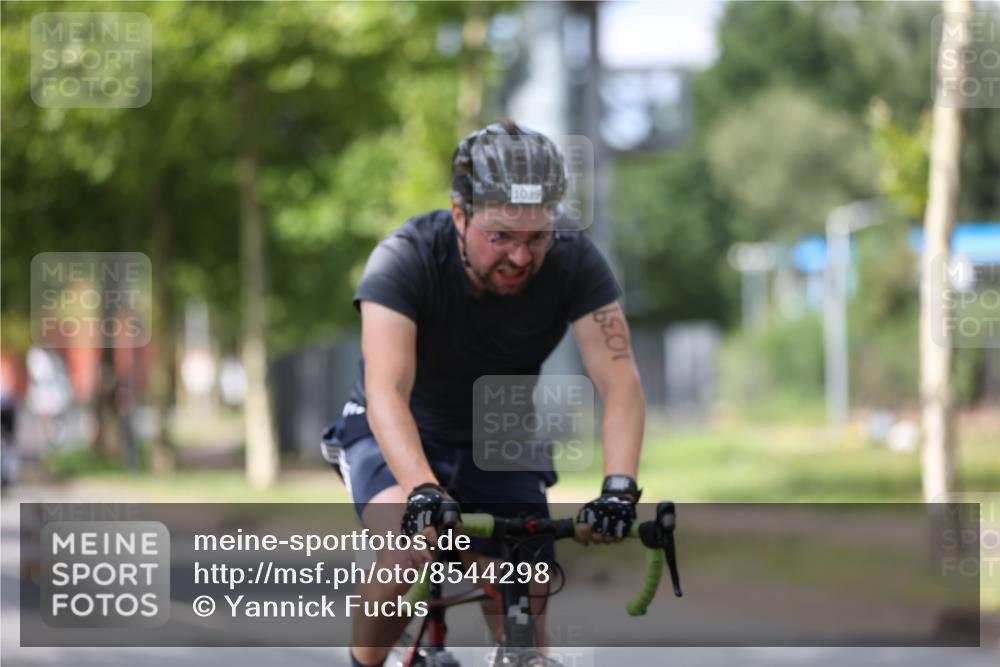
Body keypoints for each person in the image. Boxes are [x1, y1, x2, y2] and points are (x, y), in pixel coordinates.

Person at [322, 120, 646, 667]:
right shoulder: (404, 257)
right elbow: (387, 391)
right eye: (501, 236)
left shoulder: (573, 258)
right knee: (408, 549)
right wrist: (424, 489)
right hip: (398, 428)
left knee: (526, 589)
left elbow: (620, 382)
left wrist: (618, 489)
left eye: (536, 237)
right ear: (459, 215)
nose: (521, 257)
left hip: (500, 432)